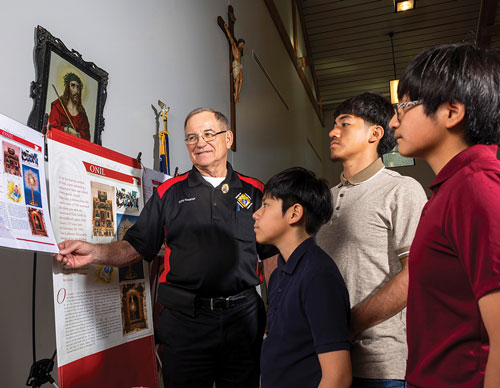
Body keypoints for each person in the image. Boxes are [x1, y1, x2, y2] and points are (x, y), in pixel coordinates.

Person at [55, 107, 277, 388]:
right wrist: (96, 252)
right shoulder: (168, 192)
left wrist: (278, 311)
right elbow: (137, 246)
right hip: (186, 322)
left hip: (243, 319)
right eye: (192, 137)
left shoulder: (255, 190)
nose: (200, 143)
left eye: (208, 134)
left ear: (228, 138)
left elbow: (271, 256)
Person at [389, 42, 500, 388]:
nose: (394, 121)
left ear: (452, 112)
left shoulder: (476, 185)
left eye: (404, 107)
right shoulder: (449, 188)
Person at [315, 92, 427, 387]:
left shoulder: (402, 190)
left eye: (345, 124)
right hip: (325, 361)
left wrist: (349, 326)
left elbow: (414, 275)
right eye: (334, 124)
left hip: (380, 365)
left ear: (375, 133)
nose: (332, 131)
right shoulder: (324, 200)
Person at [254, 167, 351, 388]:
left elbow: (338, 377)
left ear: (294, 213)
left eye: (266, 205)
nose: (256, 214)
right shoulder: (280, 273)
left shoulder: (318, 276)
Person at [48, 72, 90, 141]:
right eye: (73, 86)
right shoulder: (58, 105)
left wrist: (79, 135)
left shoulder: (82, 113)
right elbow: (52, 128)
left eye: (78, 87)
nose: (76, 91)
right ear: (67, 88)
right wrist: (68, 130)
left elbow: (86, 136)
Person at [223, 22, 245, 103]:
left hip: (239, 65)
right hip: (235, 64)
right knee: (237, 79)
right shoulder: (234, 47)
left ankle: (237, 94)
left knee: (241, 79)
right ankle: (236, 95)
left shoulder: (240, 50)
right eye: (241, 44)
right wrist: (226, 28)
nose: (242, 46)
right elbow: (231, 38)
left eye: (243, 45)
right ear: (238, 43)